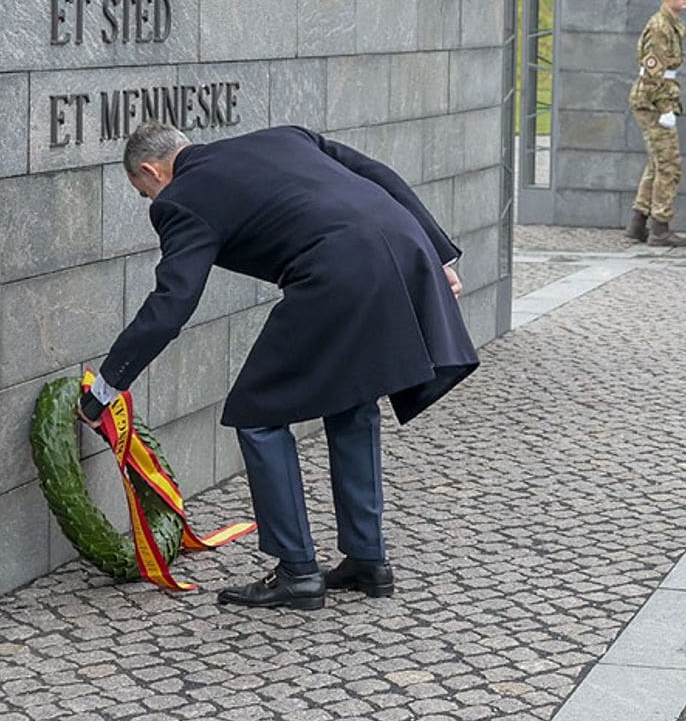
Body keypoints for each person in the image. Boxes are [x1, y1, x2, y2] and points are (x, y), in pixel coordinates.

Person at [79, 123, 477, 610]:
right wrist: (439, 254)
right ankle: (367, 559)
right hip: (398, 249)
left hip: (335, 272)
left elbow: (173, 301)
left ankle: (297, 572)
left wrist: (106, 387)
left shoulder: (179, 199)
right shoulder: (285, 137)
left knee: (258, 414)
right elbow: (377, 174)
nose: (151, 201)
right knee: (351, 401)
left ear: (151, 170)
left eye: (145, 192)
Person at [626, 0, 686, 247]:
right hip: (653, 100)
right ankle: (660, 228)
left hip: (658, 97)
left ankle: (638, 223)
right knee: (669, 164)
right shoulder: (659, 27)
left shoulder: (671, 24)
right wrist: (665, 108)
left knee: (656, 163)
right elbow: (654, 72)